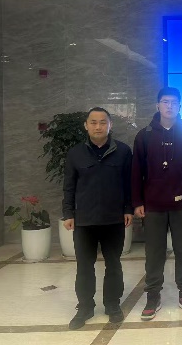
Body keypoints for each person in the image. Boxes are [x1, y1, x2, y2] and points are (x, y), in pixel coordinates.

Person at [131, 87, 182, 319]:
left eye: (174, 102)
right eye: (165, 101)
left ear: (180, 106)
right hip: (152, 204)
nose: (169, 106)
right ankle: (153, 295)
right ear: (157, 105)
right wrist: (137, 201)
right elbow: (136, 171)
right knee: (154, 252)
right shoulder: (144, 135)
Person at [63, 107, 133, 330]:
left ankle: (112, 304)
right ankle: (85, 306)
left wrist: (128, 209)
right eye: (93, 122)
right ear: (86, 125)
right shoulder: (75, 153)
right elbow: (69, 186)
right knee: (84, 265)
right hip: (85, 220)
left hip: (114, 219)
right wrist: (68, 213)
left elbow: (129, 184)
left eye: (103, 122)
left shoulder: (123, 151)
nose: (98, 126)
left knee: (114, 264)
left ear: (110, 125)